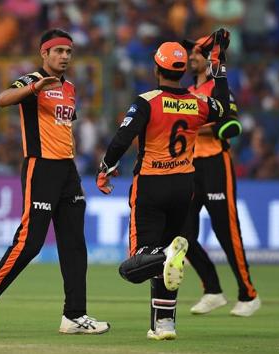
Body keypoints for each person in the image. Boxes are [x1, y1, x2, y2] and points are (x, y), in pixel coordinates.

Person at [97, 29, 239, 340]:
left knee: (135, 263)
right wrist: (219, 63)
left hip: (150, 185)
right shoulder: (198, 103)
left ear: (156, 68)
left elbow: (122, 138)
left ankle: (164, 257)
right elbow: (224, 109)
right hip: (183, 186)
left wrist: (106, 167)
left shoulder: (147, 101)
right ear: (181, 69)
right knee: (167, 258)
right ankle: (164, 325)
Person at [0, 28, 110, 335]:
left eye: (68, 52)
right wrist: (34, 89)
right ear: (44, 53)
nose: (64, 57)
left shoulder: (70, 87)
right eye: (58, 51)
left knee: (74, 244)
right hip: (40, 168)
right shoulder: (32, 80)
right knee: (30, 243)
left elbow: (61, 127)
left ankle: (74, 315)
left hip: (67, 172)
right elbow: (1, 99)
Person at [181, 36, 259, 316]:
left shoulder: (219, 88)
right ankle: (212, 290)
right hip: (190, 168)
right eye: (190, 55)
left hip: (216, 164)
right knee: (182, 235)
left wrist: (196, 129)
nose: (191, 58)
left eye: (196, 55)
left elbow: (232, 126)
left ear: (209, 60)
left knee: (227, 232)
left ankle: (248, 294)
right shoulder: (188, 90)